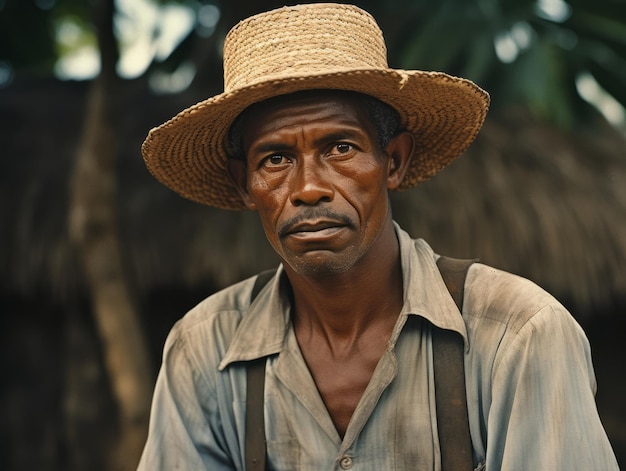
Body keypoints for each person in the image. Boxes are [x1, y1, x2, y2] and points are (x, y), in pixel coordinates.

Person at [137, 3, 618, 470]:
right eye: (275, 159)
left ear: (394, 161)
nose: (308, 189)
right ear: (246, 184)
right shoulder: (203, 350)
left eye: (341, 147)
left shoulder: (517, 334)